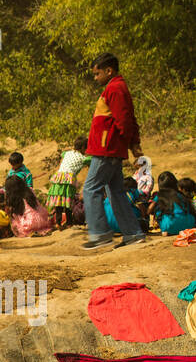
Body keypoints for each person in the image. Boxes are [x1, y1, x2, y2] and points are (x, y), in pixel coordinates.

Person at [83, 52, 145, 249]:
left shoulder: (115, 88)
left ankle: (100, 233)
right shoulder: (116, 88)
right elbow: (129, 118)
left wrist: (132, 143)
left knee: (90, 189)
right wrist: (133, 143)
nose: (95, 78)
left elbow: (125, 120)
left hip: (106, 149)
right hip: (110, 148)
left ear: (109, 71)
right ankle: (133, 234)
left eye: (97, 73)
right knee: (116, 191)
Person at [47, 137, 90, 230]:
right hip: (68, 179)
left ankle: (58, 223)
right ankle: (69, 223)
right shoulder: (83, 158)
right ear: (83, 147)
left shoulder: (67, 153)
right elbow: (90, 159)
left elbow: (63, 153)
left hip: (58, 177)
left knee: (58, 200)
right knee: (69, 201)